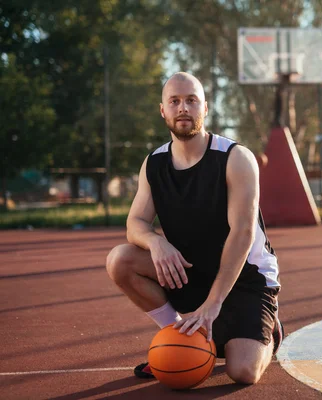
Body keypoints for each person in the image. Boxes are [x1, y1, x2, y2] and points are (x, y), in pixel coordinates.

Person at [105, 72, 282, 385]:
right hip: (191, 269)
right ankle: (180, 338)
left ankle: (271, 332)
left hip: (245, 277)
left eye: (191, 100)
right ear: (163, 110)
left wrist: (212, 305)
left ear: (205, 108)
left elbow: (243, 234)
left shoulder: (235, 158)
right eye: (174, 101)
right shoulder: (154, 163)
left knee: (243, 373)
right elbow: (135, 222)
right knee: (120, 260)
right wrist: (155, 242)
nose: (183, 108)